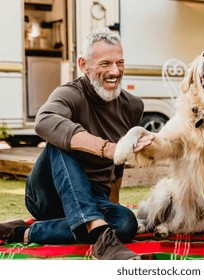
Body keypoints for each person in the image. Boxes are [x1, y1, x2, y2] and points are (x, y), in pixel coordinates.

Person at [0, 30, 151, 260]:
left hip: (93, 196)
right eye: (106, 63)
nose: (115, 71)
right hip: (47, 196)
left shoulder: (133, 106)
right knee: (61, 139)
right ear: (84, 65)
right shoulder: (71, 93)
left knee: (125, 223)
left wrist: (114, 205)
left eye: (120, 63)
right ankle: (101, 235)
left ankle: (22, 231)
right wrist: (107, 148)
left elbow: (117, 167)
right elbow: (44, 121)